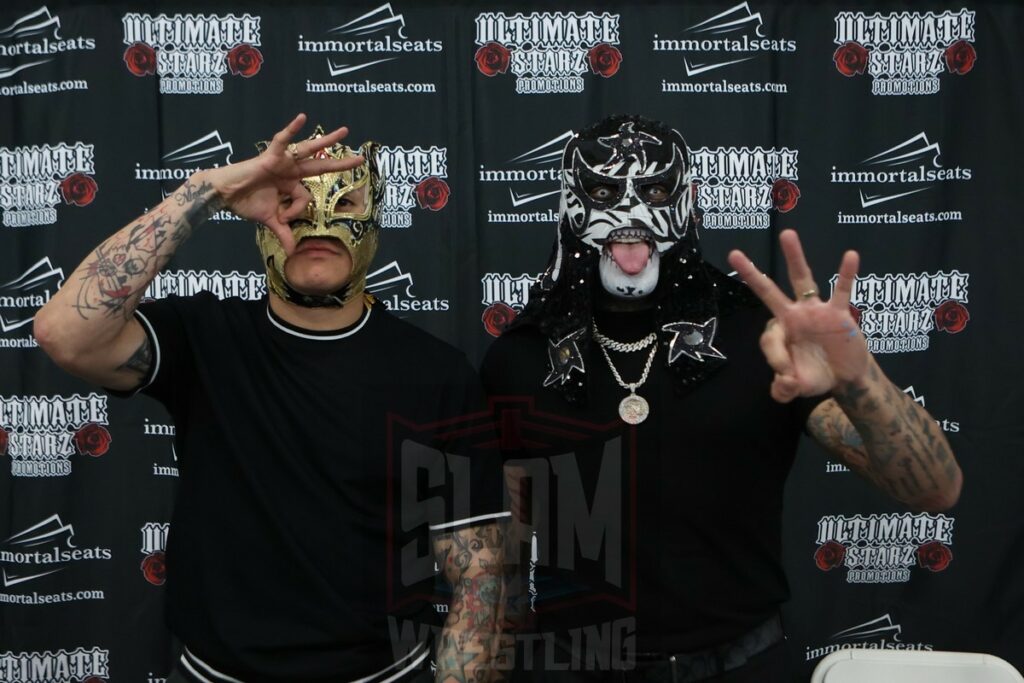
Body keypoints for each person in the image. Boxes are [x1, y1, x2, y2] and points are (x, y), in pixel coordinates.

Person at [480, 115, 962, 682]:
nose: (631, 213)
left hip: (739, 665)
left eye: (656, 190)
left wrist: (857, 376)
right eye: (606, 192)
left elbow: (936, 489)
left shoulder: (764, 337)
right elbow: (505, 548)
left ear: (687, 202)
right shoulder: (523, 354)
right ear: (571, 204)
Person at [34, 115, 508, 683]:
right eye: (294, 204)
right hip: (218, 672)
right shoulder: (204, 336)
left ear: (376, 222)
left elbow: (478, 576)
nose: (318, 222)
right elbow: (65, 333)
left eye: (346, 206)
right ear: (261, 220)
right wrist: (208, 191)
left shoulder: (435, 374)